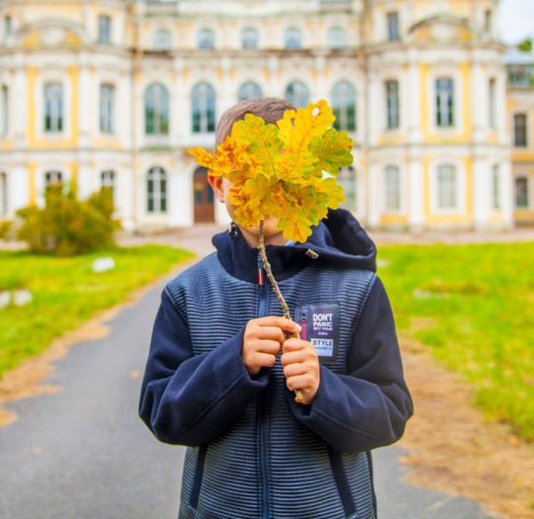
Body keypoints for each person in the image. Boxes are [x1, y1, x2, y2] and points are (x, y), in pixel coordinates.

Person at [139, 97, 413, 518]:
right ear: (218, 184)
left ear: (303, 181)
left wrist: (325, 391)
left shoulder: (356, 288)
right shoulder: (187, 294)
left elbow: (390, 414)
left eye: (276, 176)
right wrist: (233, 365)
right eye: (244, 176)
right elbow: (162, 414)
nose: (263, 191)